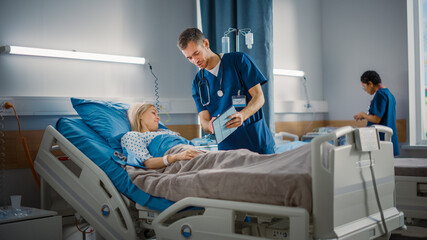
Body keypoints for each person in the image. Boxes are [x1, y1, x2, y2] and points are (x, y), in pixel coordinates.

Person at [177, 28, 275, 154]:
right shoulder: (197, 83)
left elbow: (259, 97)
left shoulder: (239, 61)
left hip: (256, 142)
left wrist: (242, 115)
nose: (195, 61)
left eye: (196, 53)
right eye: (189, 58)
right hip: (227, 150)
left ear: (206, 44)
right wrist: (210, 126)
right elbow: (204, 121)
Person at [353, 70, 399, 156]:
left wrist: (363, 114)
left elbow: (376, 119)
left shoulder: (380, 94)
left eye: (364, 87)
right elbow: (382, 115)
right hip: (387, 138)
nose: (365, 90)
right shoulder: (389, 94)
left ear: (370, 83)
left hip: (381, 138)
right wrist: (366, 116)